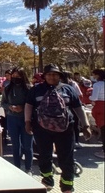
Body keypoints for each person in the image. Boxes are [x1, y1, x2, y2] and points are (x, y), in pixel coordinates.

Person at [24, 64, 91, 192]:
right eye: (49, 74)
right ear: (44, 76)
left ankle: (67, 186)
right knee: (44, 156)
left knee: (67, 157)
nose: (52, 76)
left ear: (59, 76)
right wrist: (27, 122)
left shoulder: (68, 89)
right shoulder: (36, 90)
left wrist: (86, 125)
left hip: (65, 130)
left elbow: (78, 107)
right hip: (42, 129)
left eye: (54, 74)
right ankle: (47, 179)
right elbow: (29, 105)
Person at [1, 67, 33, 174]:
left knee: (27, 145)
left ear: (23, 76)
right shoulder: (7, 89)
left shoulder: (29, 89)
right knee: (15, 145)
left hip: (26, 119)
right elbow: (3, 103)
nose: (15, 78)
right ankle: (17, 168)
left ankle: (28, 168)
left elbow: (34, 104)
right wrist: (10, 107)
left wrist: (23, 107)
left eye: (18, 76)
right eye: (13, 76)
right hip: (12, 118)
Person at [62, 71, 83, 149]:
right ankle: (76, 141)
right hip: (73, 107)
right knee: (75, 124)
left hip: (63, 108)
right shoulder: (73, 84)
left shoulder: (58, 84)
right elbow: (80, 94)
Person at [89, 68, 105, 159]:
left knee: (103, 129)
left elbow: (94, 97)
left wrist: (90, 97)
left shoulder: (97, 85)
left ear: (97, 75)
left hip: (101, 107)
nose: (93, 76)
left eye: (94, 75)